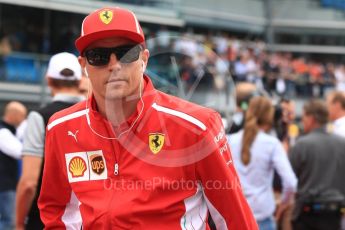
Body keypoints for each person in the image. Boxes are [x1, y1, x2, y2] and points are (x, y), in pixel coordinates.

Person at [38, 6, 258, 229]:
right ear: (84, 66)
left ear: (144, 59)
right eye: (99, 57)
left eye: (127, 53)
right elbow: (57, 213)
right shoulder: (61, 127)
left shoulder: (197, 125)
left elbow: (235, 219)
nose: (114, 65)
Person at [15, 52, 84, 230]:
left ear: (49, 80)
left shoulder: (39, 117)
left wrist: (19, 222)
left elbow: (29, 183)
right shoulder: (98, 114)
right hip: (92, 219)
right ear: (79, 81)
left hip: (48, 220)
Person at [228, 96, 297, 230]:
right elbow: (291, 183)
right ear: (269, 117)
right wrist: (283, 205)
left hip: (236, 217)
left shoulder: (229, 140)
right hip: (262, 218)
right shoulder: (272, 144)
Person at [289, 99, 345, 230]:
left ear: (311, 118)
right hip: (335, 212)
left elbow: (289, 180)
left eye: (303, 116)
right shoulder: (342, 144)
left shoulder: (302, 145)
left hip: (308, 213)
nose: (302, 121)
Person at [0, 101, 27, 230]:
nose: (23, 120)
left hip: (6, 185)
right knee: (9, 220)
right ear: (15, 115)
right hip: (4, 185)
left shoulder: (8, 132)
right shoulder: (3, 132)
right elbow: (20, 152)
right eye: (22, 116)